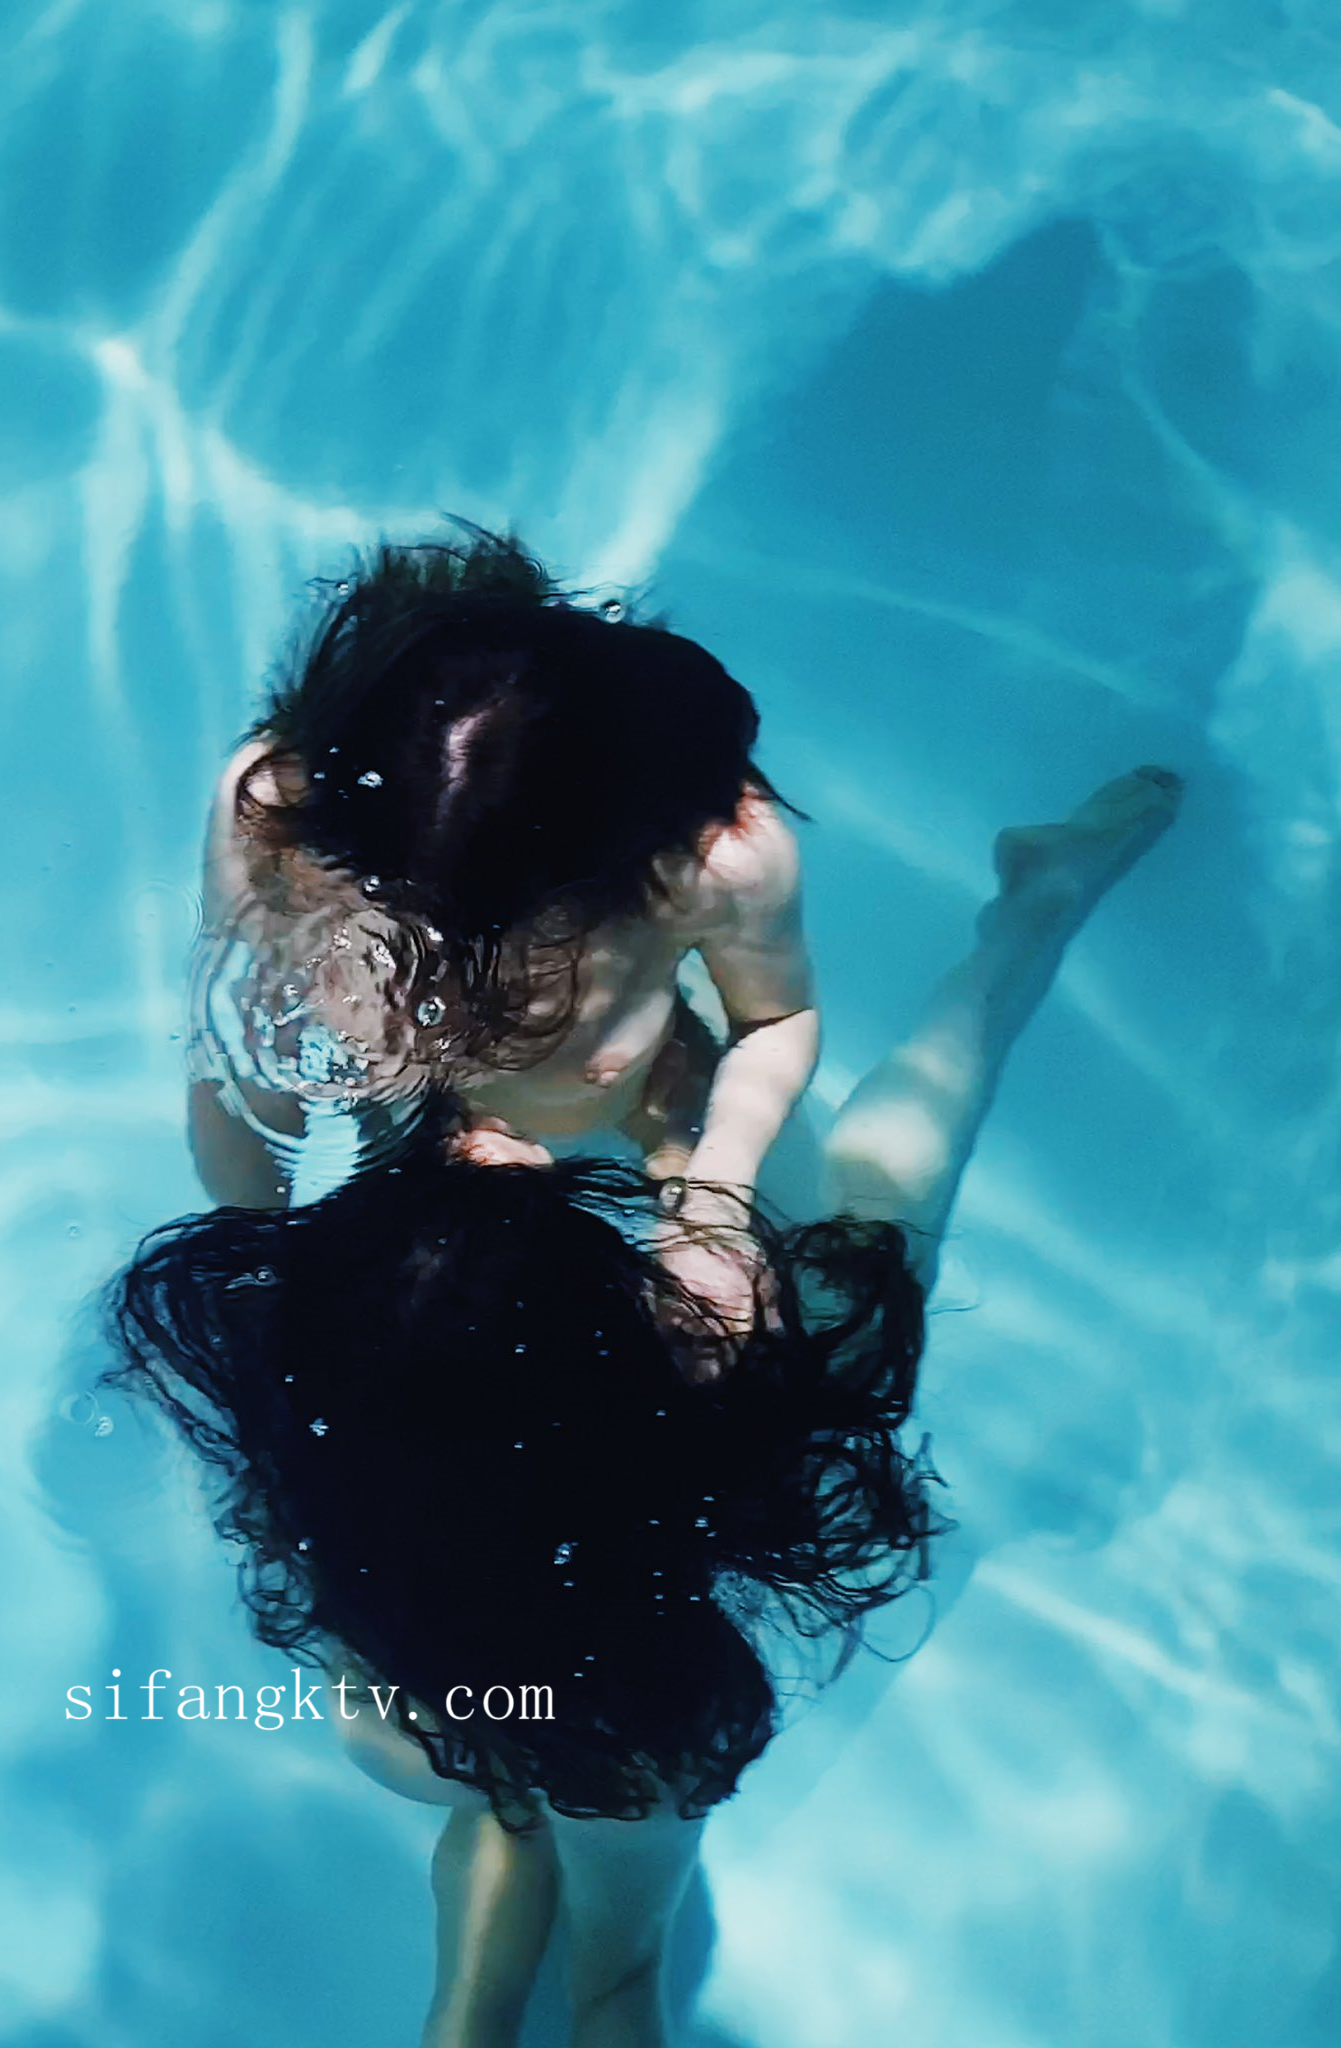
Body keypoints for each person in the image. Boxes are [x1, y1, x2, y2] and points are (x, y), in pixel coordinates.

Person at [113, 765, 1183, 2048]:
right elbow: (719, 1253)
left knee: (505, 1774)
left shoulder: (316, 1427)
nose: (500, 1142)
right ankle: (1032, 914)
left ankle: (465, 2018)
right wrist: (692, 1151)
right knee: (884, 1197)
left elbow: (290, 1228)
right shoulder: (726, 1386)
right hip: (625, 1736)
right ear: (648, 1338)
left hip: (411, 1712)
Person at [188, 526, 821, 1323]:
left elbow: (775, 1020)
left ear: (610, 853)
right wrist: (256, 1258)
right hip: (411, 1144)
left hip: (651, 1106)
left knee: (810, 1305)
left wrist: (714, 1202)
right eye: (389, 880)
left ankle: (983, 983)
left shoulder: (715, 860)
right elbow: (239, 1053)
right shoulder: (278, 811)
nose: (429, 926)